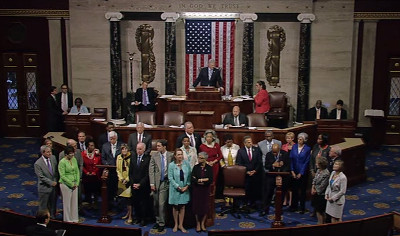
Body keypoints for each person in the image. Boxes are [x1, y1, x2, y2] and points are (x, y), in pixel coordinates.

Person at [149, 139, 173, 232]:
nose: (157, 147)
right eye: (157, 146)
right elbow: (151, 170)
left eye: (159, 146)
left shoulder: (170, 156)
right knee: (156, 203)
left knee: (161, 204)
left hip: (165, 182)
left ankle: (162, 223)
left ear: (164, 147)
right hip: (156, 183)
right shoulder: (154, 156)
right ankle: (158, 220)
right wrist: (152, 183)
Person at [261, 143, 290, 216]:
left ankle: (279, 209)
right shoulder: (268, 154)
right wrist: (273, 165)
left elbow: (288, 166)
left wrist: (281, 169)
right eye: (273, 152)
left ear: (279, 149)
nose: (274, 154)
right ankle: (265, 209)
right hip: (271, 177)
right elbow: (266, 166)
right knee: (268, 193)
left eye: (275, 152)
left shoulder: (285, 154)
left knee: (281, 194)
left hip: (282, 177)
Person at [168, 148, 191, 233]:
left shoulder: (187, 164)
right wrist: (177, 187)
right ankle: (175, 224)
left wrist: (187, 186)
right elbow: (170, 178)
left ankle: (181, 225)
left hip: (184, 188)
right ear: (175, 156)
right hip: (175, 189)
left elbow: (189, 175)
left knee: (182, 206)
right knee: (175, 206)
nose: (180, 156)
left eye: (181, 154)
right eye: (178, 154)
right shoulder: (171, 165)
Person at [236, 136, 262, 207]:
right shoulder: (241, 151)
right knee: (246, 189)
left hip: (255, 174)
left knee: (255, 189)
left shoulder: (256, 150)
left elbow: (259, 162)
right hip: (245, 174)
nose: (250, 143)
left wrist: (255, 170)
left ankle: (253, 203)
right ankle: (245, 203)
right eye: (248, 142)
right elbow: (239, 163)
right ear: (244, 143)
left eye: (251, 141)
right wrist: (246, 171)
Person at [129, 142, 151, 226]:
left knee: (143, 203)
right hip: (134, 185)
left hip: (143, 185)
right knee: (135, 202)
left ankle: (143, 219)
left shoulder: (148, 159)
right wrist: (133, 183)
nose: (138, 150)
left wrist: (140, 184)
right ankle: (137, 218)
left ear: (144, 149)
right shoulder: (133, 158)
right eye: (137, 149)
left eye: (140, 149)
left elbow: (147, 174)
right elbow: (130, 172)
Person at [34, 145, 59, 219]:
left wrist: (55, 181)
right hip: (44, 188)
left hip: (54, 187)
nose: (50, 153)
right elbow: (41, 177)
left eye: (50, 151)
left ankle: (53, 217)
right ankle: (43, 220)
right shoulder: (38, 163)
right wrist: (51, 182)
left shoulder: (53, 158)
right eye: (48, 152)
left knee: (53, 204)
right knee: (44, 206)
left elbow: (56, 171)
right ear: (42, 153)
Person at [289, 132, 311, 214]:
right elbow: (291, 159)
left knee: (302, 191)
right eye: (298, 139)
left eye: (301, 139)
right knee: (294, 190)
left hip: (303, 173)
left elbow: (306, 162)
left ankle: (302, 207)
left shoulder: (307, 149)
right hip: (294, 171)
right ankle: (293, 206)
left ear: (304, 140)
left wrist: (301, 173)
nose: (299, 140)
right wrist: (292, 171)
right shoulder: (294, 147)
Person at [191, 152, 213, 233]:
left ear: (205, 159)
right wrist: (201, 180)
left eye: (201, 158)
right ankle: (198, 223)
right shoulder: (196, 167)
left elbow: (210, 179)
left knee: (205, 206)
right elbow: (193, 178)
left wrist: (200, 180)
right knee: (197, 207)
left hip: (205, 189)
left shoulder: (209, 168)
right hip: (197, 189)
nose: (199, 159)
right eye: (198, 157)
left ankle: (203, 223)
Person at [101, 131, 122, 209]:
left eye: (113, 138)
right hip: (109, 171)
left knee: (118, 189)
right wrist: (106, 164)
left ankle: (119, 206)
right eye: (110, 138)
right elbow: (103, 158)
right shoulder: (105, 146)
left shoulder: (121, 145)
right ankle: (109, 206)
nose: (112, 140)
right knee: (109, 189)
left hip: (119, 171)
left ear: (116, 138)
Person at [59, 146, 80, 222]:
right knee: (67, 203)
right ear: (66, 154)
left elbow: (77, 171)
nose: (72, 155)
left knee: (74, 202)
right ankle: (67, 220)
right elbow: (62, 176)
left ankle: (74, 218)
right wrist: (71, 184)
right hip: (65, 185)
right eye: (70, 153)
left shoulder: (74, 159)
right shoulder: (62, 162)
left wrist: (77, 183)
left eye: (73, 153)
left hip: (75, 184)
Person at [116, 144, 132, 224]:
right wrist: (121, 178)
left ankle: (130, 216)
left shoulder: (131, 157)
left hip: (129, 181)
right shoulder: (119, 157)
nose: (124, 151)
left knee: (129, 199)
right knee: (125, 199)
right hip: (121, 181)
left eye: (125, 149)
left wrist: (127, 179)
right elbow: (118, 169)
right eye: (123, 149)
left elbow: (132, 171)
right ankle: (128, 213)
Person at [81, 141, 101, 206]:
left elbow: (99, 164)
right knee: (88, 191)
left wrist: (94, 172)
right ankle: (89, 204)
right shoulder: (83, 154)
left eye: (92, 145)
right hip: (86, 176)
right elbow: (82, 165)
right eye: (90, 145)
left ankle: (95, 204)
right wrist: (86, 172)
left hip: (95, 176)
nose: (91, 147)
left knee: (95, 191)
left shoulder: (97, 154)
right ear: (87, 146)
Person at [311, 157, 330, 224]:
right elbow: (315, 179)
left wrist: (316, 190)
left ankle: (321, 224)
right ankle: (320, 222)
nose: (316, 164)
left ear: (321, 164)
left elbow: (323, 185)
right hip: (316, 193)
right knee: (317, 210)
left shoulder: (326, 173)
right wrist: (313, 187)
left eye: (317, 163)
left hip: (321, 195)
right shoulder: (319, 170)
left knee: (320, 211)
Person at [281, 132, 295, 206]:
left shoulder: (296, 146)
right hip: (285, 167)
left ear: (292, 138)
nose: (288, 139)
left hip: (293, 167)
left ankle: (291, 201)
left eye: (289, 138)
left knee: (291, 186)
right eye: (287, 138)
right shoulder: (283, 146)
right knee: (284, 185)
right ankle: (285, 200)